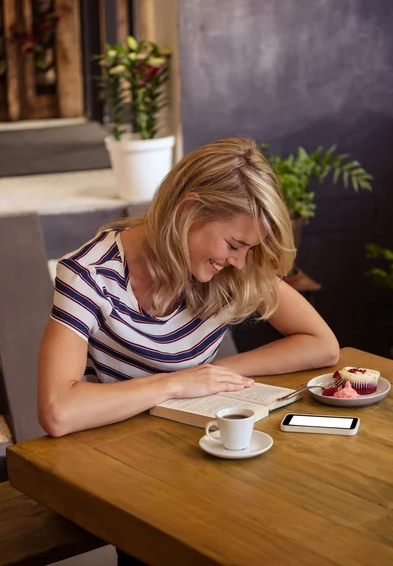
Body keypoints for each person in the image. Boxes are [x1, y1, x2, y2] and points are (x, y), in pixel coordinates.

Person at [38, 137, 339, 565]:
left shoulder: (233, 268)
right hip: (126, 471)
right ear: (188, 210)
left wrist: (214, 373)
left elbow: (322, 345)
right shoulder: (90, 275)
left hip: (205, 457)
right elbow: (57, 410)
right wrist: (179, 383)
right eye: (234, 244)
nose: (239, 261)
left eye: (248, 249)